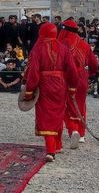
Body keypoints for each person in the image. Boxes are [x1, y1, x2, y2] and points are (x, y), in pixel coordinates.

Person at [22, 23, 78, 162]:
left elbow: (33, 72)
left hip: (44, 84)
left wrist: (29, 91)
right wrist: (72, 87)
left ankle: (51, 150)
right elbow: (72, 69)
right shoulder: (63, 48)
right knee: (58, 113)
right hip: (60, 84)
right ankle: (58, 145)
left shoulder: (38, 48)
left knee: (46, 115)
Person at [58, 19, 99, 148]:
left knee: (66, 104)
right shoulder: (85, 44)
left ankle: (73, 129)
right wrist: (90, 74)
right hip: (82, 77)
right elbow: (95, 64)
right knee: (80, 105)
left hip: (66, 77)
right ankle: (81, 134)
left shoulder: (60, 44)